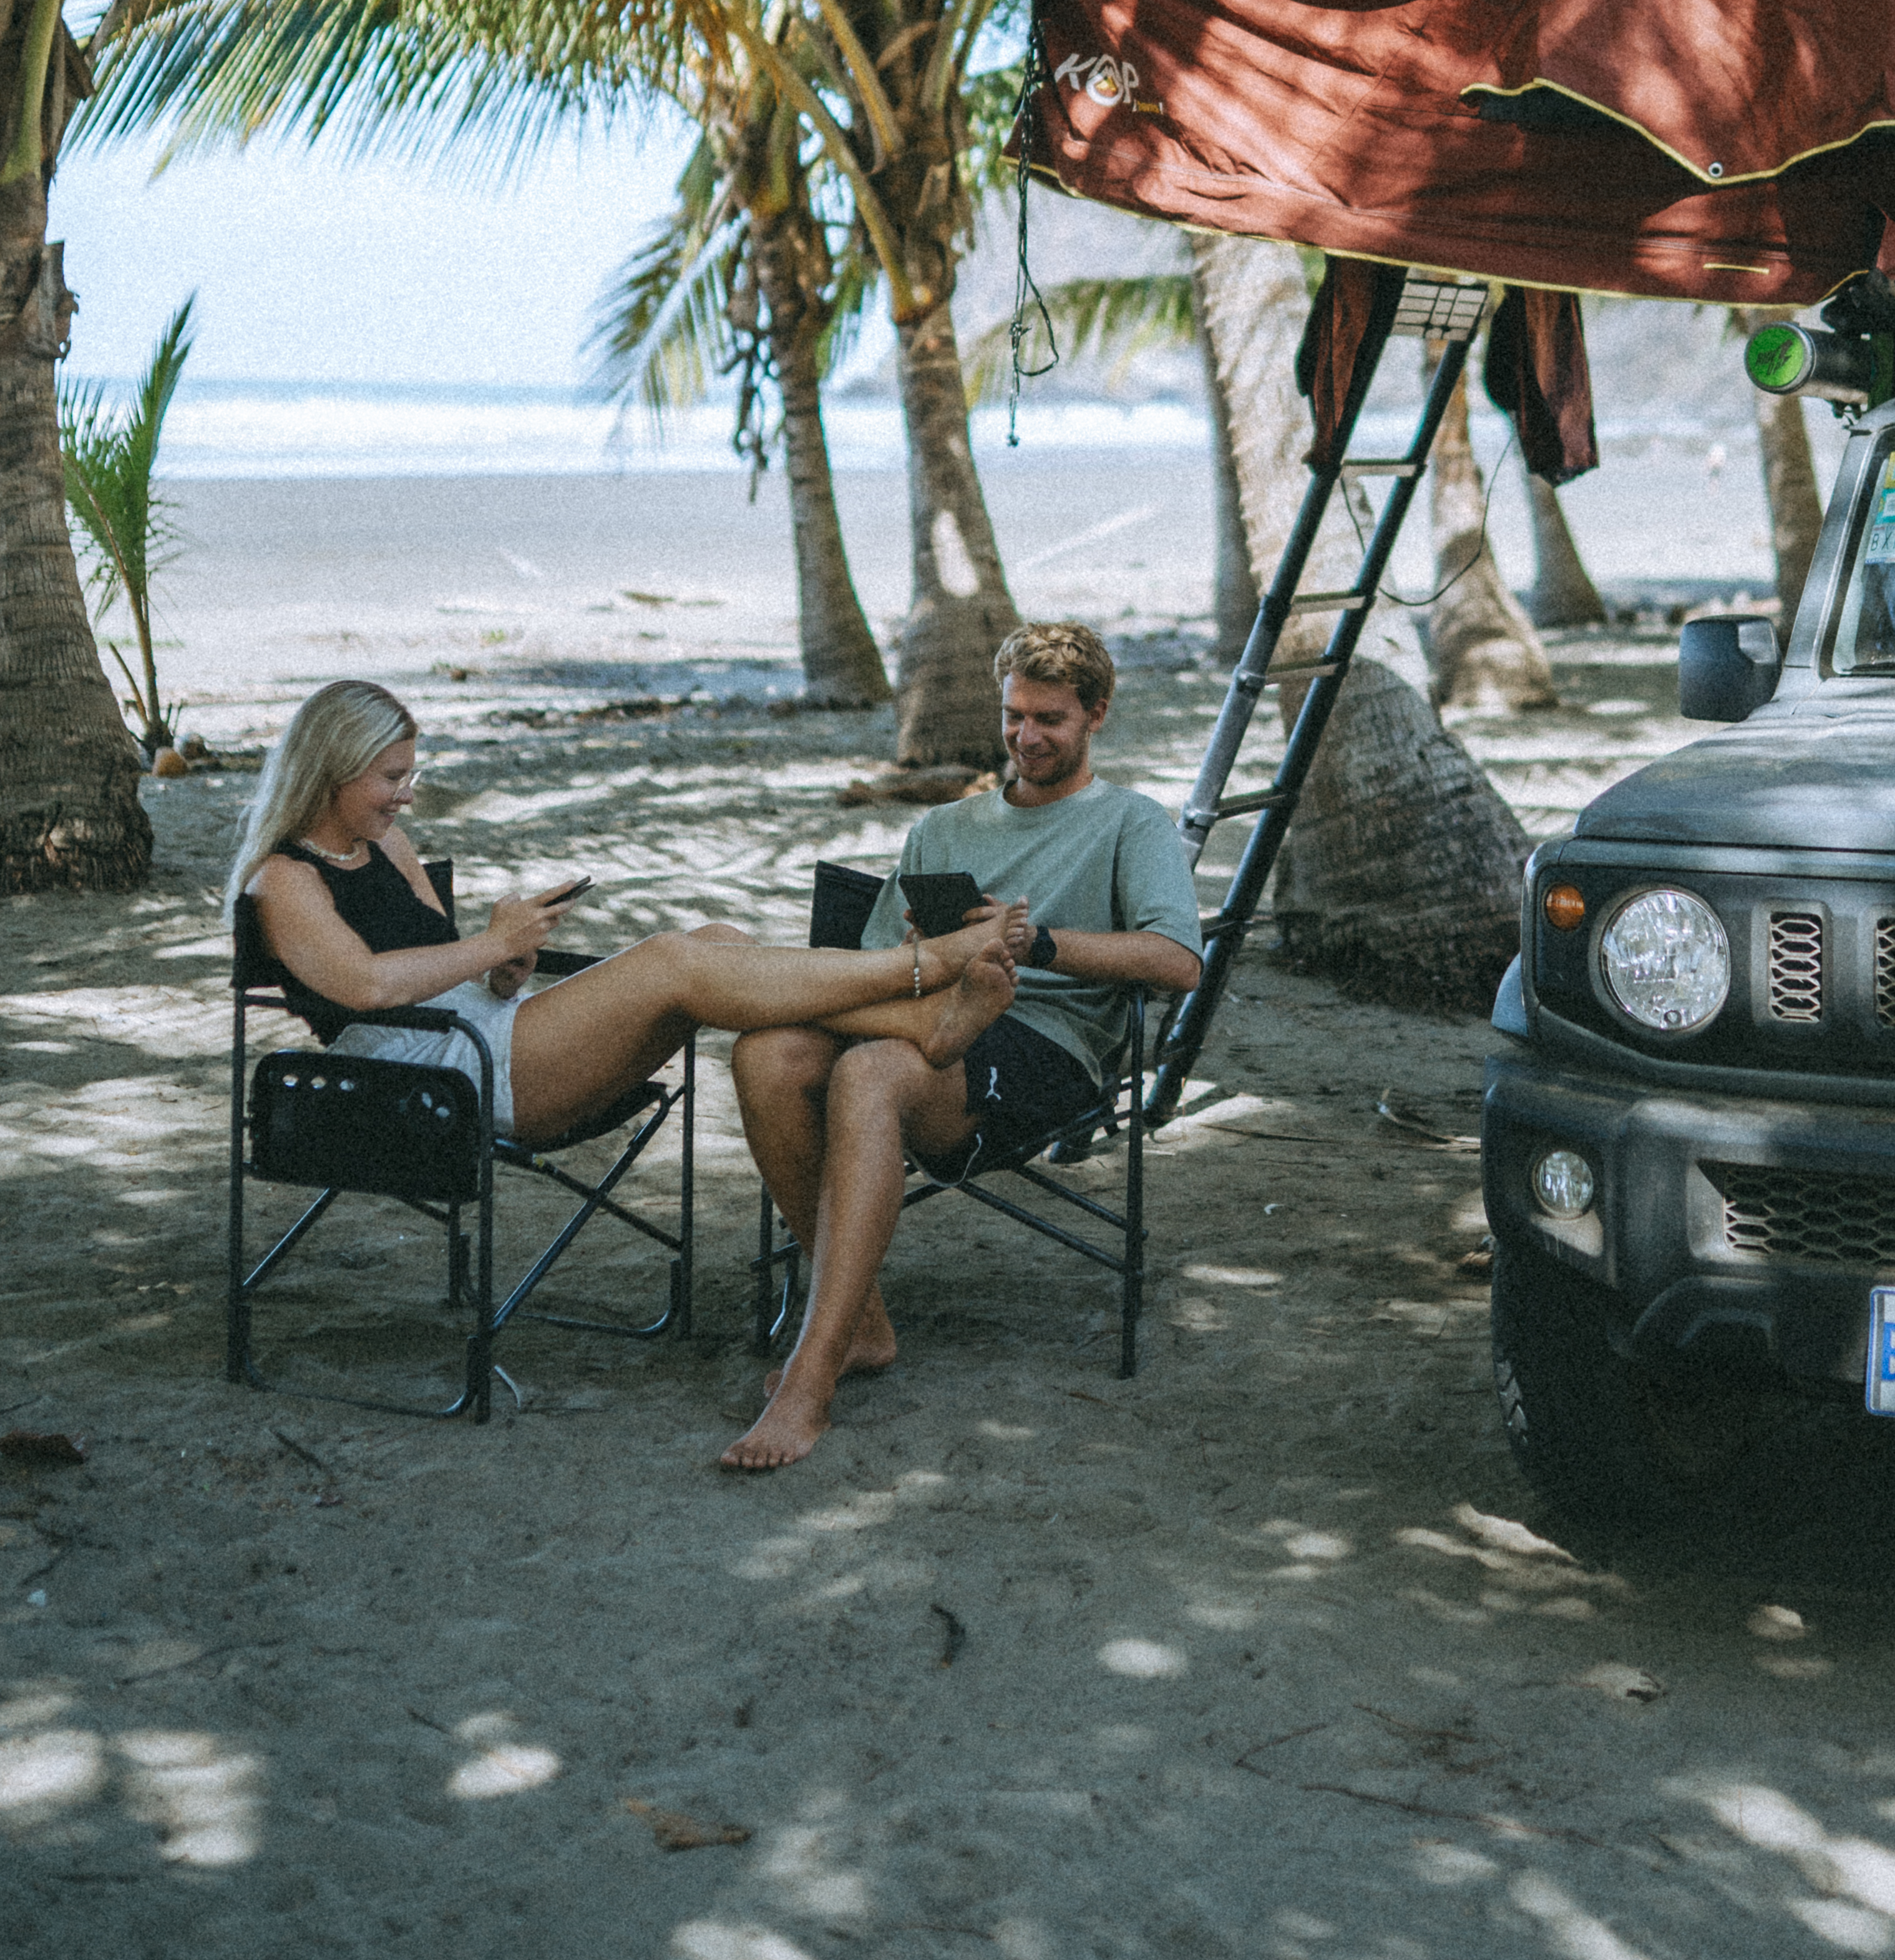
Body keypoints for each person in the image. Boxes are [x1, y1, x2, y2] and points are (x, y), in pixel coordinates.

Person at [723, 622, 1204, 1473]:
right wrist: (924, 948)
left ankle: (813, 1373)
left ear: (1098, 713)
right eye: (1015, 716)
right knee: (765, 1051)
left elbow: (1176, 963)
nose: (1026, 737)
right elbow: (872, 970)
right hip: (927, 1018)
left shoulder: (1132, 822)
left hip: (1046, 1044)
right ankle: (860, 1321)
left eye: (1050, 718)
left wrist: (1033, 943)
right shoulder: (944, 830)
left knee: (871, 1069)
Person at [232, 681, 1020, 1153]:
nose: (406, 795)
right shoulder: (284, 879)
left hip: (481, 1026)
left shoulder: (387, 842)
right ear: (332, 770)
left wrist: (508, 964)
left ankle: (915, 1023)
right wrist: (486, 946)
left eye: (409, 775)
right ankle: (926, 975)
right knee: (676, 960)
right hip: (420, 1078)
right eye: (389, 777)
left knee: (720, 942)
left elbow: (450, 963)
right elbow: (367, 987)